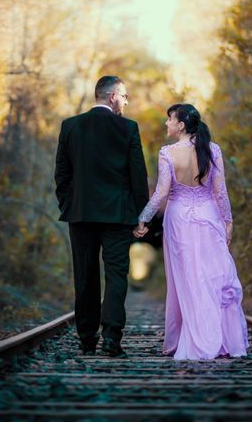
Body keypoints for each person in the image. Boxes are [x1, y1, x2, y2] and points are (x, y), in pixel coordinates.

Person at [134, 104, 249, 360]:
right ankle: (218, 338)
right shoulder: (212, 149)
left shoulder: (167, 153)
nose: (166, 124)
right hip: (209, 217)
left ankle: (195, 338)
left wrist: (142, 218)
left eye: (170, 120)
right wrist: (228, 221)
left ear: (181, 125)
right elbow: (220, 192)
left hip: (179, 221)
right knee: (211, 277)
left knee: (187, 281)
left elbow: (162, 193)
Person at [55, 76, 148, 358]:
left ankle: (86, 339)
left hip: (80, 214)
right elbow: (138, 176)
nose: (126, 101)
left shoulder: (70, 126)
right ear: (112, 97)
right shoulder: (128, 128)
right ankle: (111, 338)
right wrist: (141, 216)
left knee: (84, 276)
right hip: (118, 216)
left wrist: (69, 204)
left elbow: (61, 173)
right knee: (117, 276)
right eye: (125, 96)